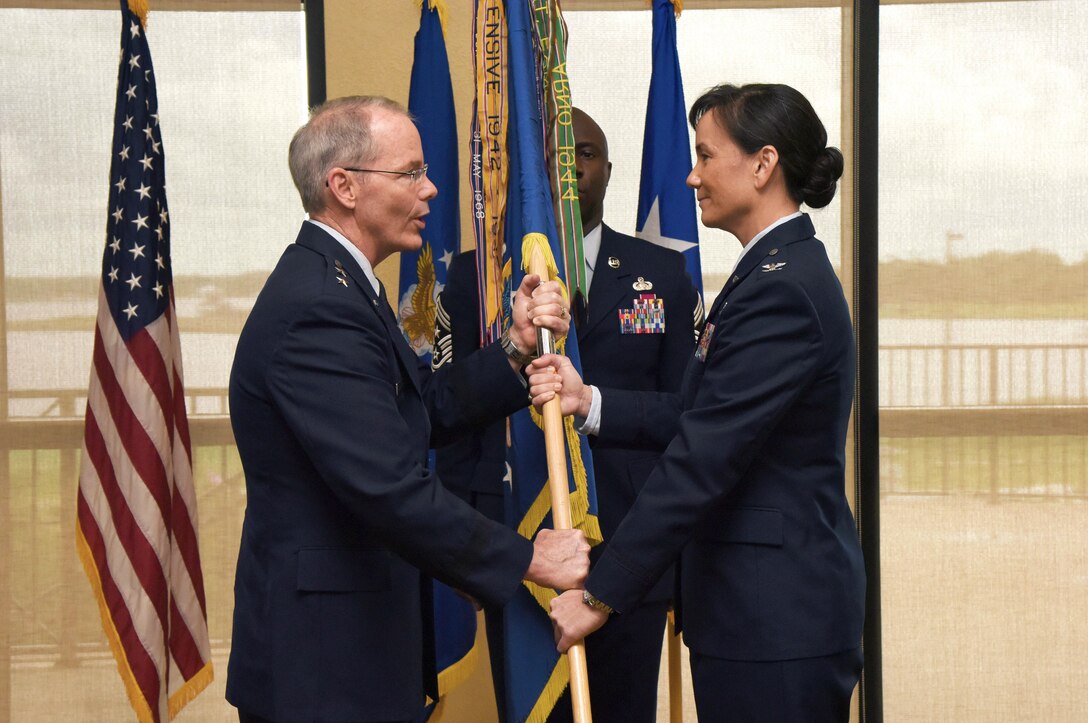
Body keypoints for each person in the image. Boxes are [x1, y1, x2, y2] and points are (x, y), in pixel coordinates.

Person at [225, 95, 590, 723]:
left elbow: (426, 408)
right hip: (325, 664)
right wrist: (530, 558)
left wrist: (515, 349)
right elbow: (390, 487)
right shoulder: (320, 306)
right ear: (343, 185)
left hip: (351, 647)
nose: (432, 189)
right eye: (410, 173)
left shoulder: (344, 285)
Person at [535, 83, 866, 721]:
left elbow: (702, 457)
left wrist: (600, 595)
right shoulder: (768, 270)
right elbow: (697, 411)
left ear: (763, 164)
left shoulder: (781, 290)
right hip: (751, 612)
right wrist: (591, 400)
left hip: (775, 620)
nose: (691, 176)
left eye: (707, 157)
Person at [431, 107, 700, 723]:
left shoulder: (660, 276)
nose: (573, 169)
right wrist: (463, 551)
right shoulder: (478, 280)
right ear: (538, 173)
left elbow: (688, 416)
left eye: (587, 153)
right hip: (513, 543)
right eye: (559, 156)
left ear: (608, 168)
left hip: (629, 549)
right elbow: (449, 426)